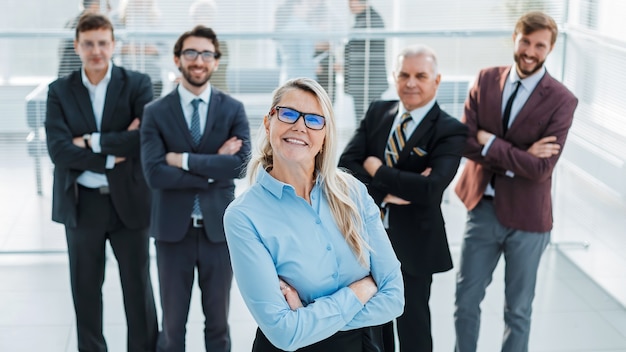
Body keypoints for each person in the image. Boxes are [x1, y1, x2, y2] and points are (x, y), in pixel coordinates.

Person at [223, 77, 404, 351]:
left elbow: (394, 297)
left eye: (314, 120)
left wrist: (306, 316)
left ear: (325, 135)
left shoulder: (352, 192)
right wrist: (361, 290)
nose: (299, 126)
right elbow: (284, 333)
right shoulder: (243, 216)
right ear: (268, 121)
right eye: (288, 114)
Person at [453, 11, 578, 352]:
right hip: (483, 209)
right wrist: (522, 155)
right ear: (514, 38)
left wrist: (491, 142)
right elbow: (464, 142)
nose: (530, 51)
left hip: (529, 220)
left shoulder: (562, 100)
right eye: (525, 41)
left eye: (540, 45)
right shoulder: (485, 79)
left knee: (518, 311)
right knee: (465, 301)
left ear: (550, 48)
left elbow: (541, 170)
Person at [339, 45, 468, 351]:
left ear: (436, 81)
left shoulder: (451, 130)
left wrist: (376, 168)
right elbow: (346, 167)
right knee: (373, 328)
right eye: (404, 74)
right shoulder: (377, 111)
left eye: (420, 76)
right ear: (394, 77)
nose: (411, 82)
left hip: (415, 246)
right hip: (368, 241)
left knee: (414, 328)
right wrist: (388, 192)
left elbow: (430, 190)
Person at [45, 13, 158, 351]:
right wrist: (113, 150)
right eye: (89, 44)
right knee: (85, 289)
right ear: (77, 46)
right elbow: (59, 150)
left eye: (103, 43)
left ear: (114, 45)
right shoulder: (59, 91)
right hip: (83, 203)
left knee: (138, 289)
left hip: (130, 201)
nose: (97, 51)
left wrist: (91, 142)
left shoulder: (138, 84)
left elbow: (144, 140)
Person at [140, 25, 250, 352]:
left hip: (219, 232)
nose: (198, 60)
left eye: (206, 54)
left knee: (218, 326)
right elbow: (154, 174)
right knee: (172, 328)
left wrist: (184, 160)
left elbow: (240, 165)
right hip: (173, 233)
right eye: (191, 53)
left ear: (216, 61)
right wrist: (214, 166)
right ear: (177, 59)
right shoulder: (155, 112)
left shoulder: (233, 109)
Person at [344, 0, 388, 123]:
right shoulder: (363, 19)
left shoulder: (370, 20)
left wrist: (346, 65)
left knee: (368, 121)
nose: (349, 5)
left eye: (351, 2)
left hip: (367, 82)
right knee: (364, 120)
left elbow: (361, 51)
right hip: (363, 82)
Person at [116, 0, 165, 98]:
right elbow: (111, 46)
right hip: (125, 75)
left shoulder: (157, 19)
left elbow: (164, 47)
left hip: (153, 76)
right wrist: (128, 49)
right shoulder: (117, 18)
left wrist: (147, 49)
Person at [58, 0, 111, 77]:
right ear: (94, 5)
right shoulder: (84, 27)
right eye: (107, 6)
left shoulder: (71, 22)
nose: (110, 10)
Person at [189, 0, 229, 92]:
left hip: (216, 93)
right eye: (194, 17)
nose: (195, 21)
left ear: (210, 18)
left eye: (198, 17)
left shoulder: (220, 43)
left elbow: (217, 73)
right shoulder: (191, 42)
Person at [274, 0, 317, 80]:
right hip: (303, 81)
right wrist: (316, 65)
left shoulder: (282, 27)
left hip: (286, 79)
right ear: (296, 6)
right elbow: (306, 60)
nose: (309, 9)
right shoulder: (303, 28)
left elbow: (278, 61)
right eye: (306, 5)